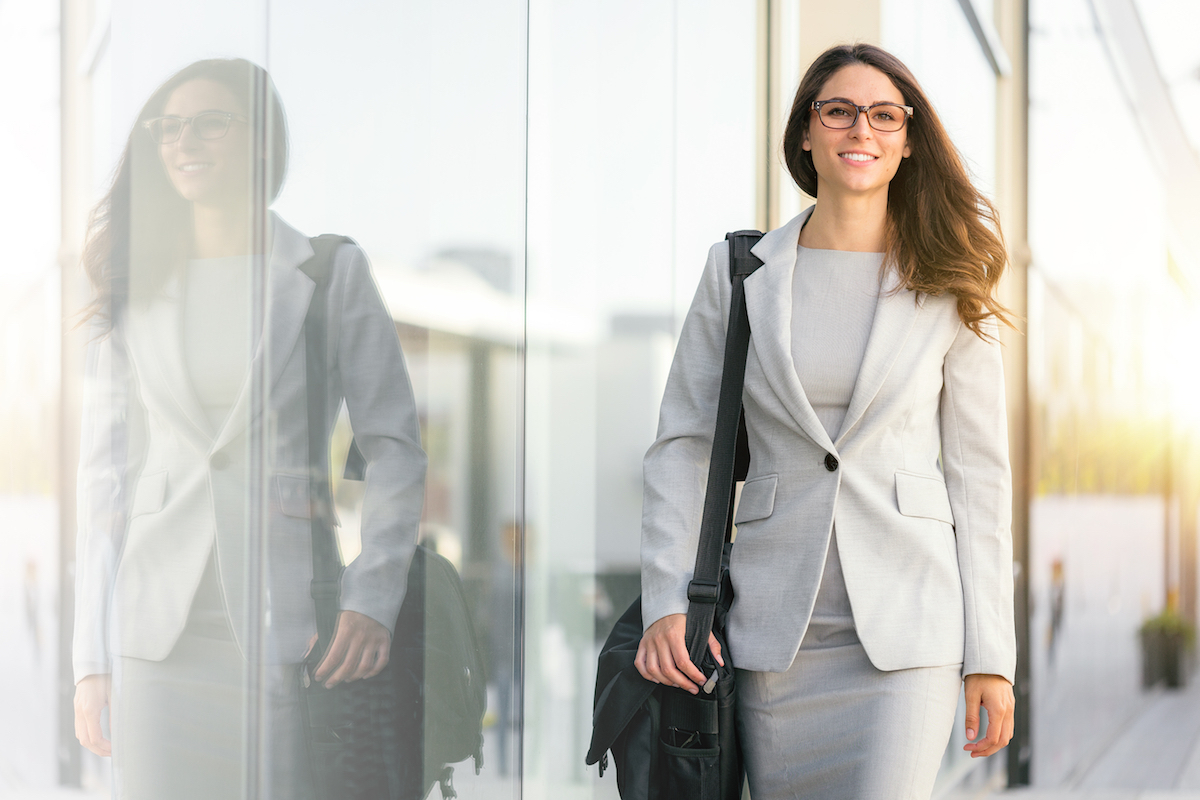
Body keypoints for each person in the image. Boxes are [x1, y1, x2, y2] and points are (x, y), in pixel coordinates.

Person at [635, 43, 1016, 799]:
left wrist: (991, 655)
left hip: (909, 634)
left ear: (907, 141)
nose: (860, 130)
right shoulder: (741, 271)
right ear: (806, 134)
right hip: (779, 636)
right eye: (837, 111)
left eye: (883, 115)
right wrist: (665, 601)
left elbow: (979, 476)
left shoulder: (949, 277)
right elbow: (686, 444)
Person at [71, 59, 426, 799]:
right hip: (156, 634)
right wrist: (90, 659)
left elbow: (393, 445)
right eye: (168, 128)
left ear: (262, 141)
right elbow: (103, 480)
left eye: (209, 122)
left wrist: (371, 593)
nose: (183, 141)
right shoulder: (135, 281)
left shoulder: (328, 270)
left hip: (287, 625)